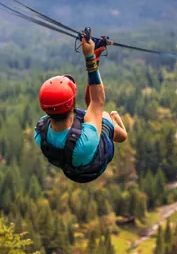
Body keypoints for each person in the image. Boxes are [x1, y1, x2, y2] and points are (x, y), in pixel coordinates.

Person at [34, 33, 128, 183]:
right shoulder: (86, 141)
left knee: (92, 112)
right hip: (95, 164)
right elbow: (97, 101)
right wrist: (90, 57)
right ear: (71, 103)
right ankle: (118, 125)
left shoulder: (40, 131)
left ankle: (109, 120)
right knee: (103, 116)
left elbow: (94, 103)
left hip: (73, 168)